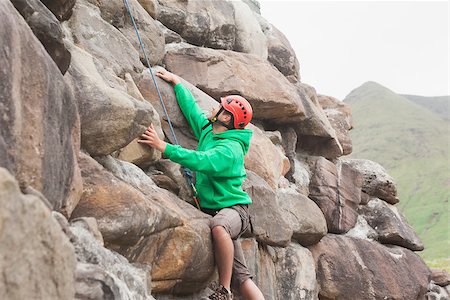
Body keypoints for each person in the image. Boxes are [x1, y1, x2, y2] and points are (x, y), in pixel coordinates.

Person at [138, 69, 265, 300]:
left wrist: (163, 147)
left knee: (219, 226)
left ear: (226, 117)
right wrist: (177, 83)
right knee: (242, 279)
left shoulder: (230, 150)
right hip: (214, 209)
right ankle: (232, 285)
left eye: (220, 106)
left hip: (235, 211)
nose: (214, 107)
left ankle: (224, 291)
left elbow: (202, 161)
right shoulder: (210, 131)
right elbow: (193, 111)